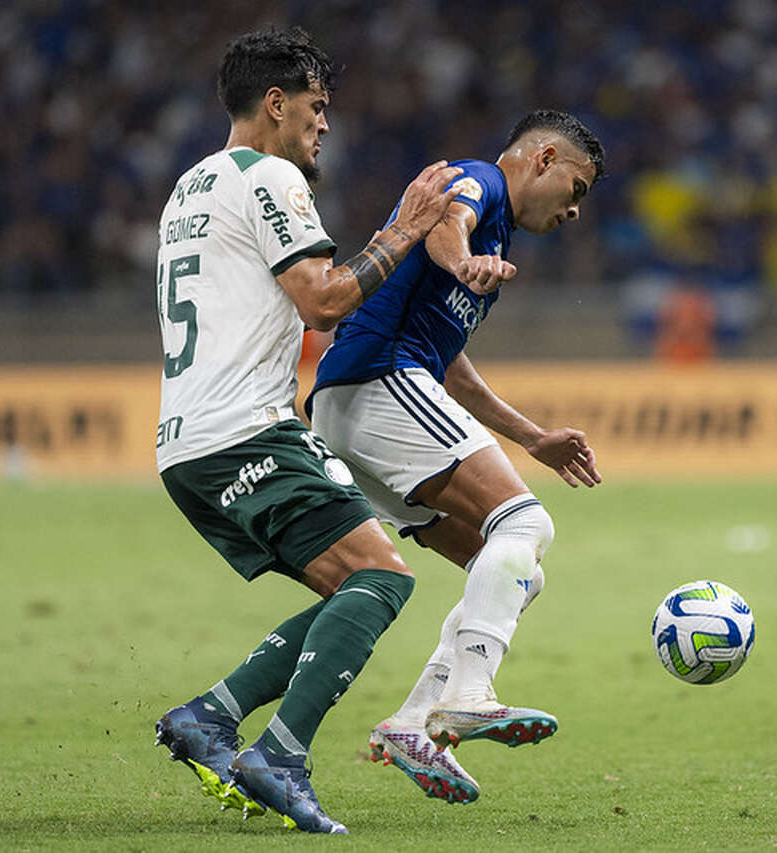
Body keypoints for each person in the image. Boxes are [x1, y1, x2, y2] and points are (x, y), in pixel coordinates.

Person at [150, 27, 464, 834]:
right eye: (317, 108)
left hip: (186, 444)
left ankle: (209, 717)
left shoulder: (187, 189)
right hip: (244, 432)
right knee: (384, 579)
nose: (325, 126)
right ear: (276, 104)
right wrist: (406, 229)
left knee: (346, 590)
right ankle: (279, 753)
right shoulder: (271, 178)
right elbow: (322, 300)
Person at [306, 110, 605, 804]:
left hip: (363, 401)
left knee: (513, 573)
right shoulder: (481, 185)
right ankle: (471, 691)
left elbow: (449, 362)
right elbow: (445, 219)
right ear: (545, 157)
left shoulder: (492, 235)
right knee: (528, 525)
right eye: (577, 188)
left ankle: (412, 723)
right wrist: (463, 258)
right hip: (377, 377)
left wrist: (531, 436)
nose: (574, 211)